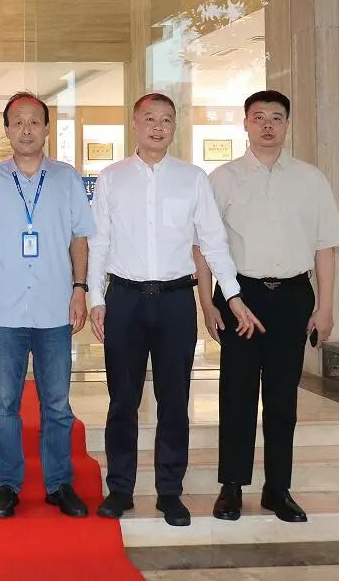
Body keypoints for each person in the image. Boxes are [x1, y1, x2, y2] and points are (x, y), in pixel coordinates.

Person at [87, 93, 256, 527]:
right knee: (122, 399)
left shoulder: (192, 178)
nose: (158, 126)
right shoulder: (111, 178)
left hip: (176, 301)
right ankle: (120, 489)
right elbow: (99, 242)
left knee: (175, 399)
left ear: (174, 126)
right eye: (150, 119)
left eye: (166, 119)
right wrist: (96, 299)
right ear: (134, 124)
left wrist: (232, 295)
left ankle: (169, 491)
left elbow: (213, 241)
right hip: (125, 298)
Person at [193, 90, 339, 524]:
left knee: (282, 398)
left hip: (293, 298)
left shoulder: (310, 179)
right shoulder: (221, 179)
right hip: (240, 296)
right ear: (245, 123)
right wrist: (206, 302)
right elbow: (202, 247)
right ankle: (231, 486)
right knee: (236, 394)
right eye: (258, 117)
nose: (267, 125)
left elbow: (325, 248)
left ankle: (278, 489)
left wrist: (326, 308)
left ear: (287, 125)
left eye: (276, 117)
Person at [0, 92, 94, 519]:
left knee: (57, 404)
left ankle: (59, 484)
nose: (26, 129)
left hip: (54, 306)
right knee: (4, 404)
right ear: (6, 129)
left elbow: (80, 238)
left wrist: (80, 288)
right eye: (18, 122)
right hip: (5, 308)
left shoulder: (66, 178)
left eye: (34, 122)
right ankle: (7, 483)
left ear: (46, 129)